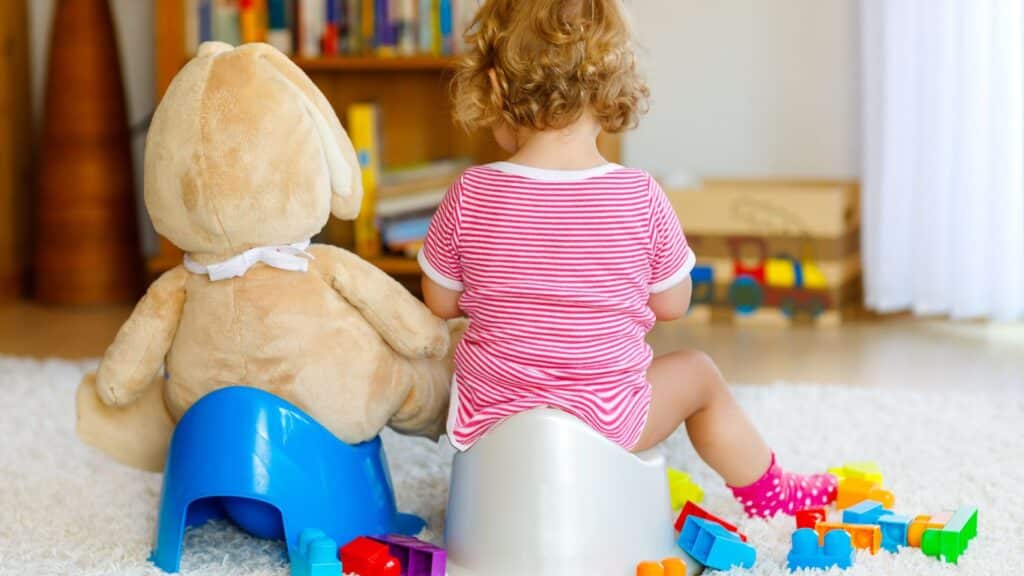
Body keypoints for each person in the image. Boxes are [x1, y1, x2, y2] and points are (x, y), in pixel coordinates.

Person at [418, 0, 835, 517]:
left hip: (492, 428)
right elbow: (673, 303)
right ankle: (770, 491)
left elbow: (439, 300)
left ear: (496, 90)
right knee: (699, 373)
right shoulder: (640, 195)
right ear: (610, 89)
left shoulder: (471, 191)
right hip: (608, 424)